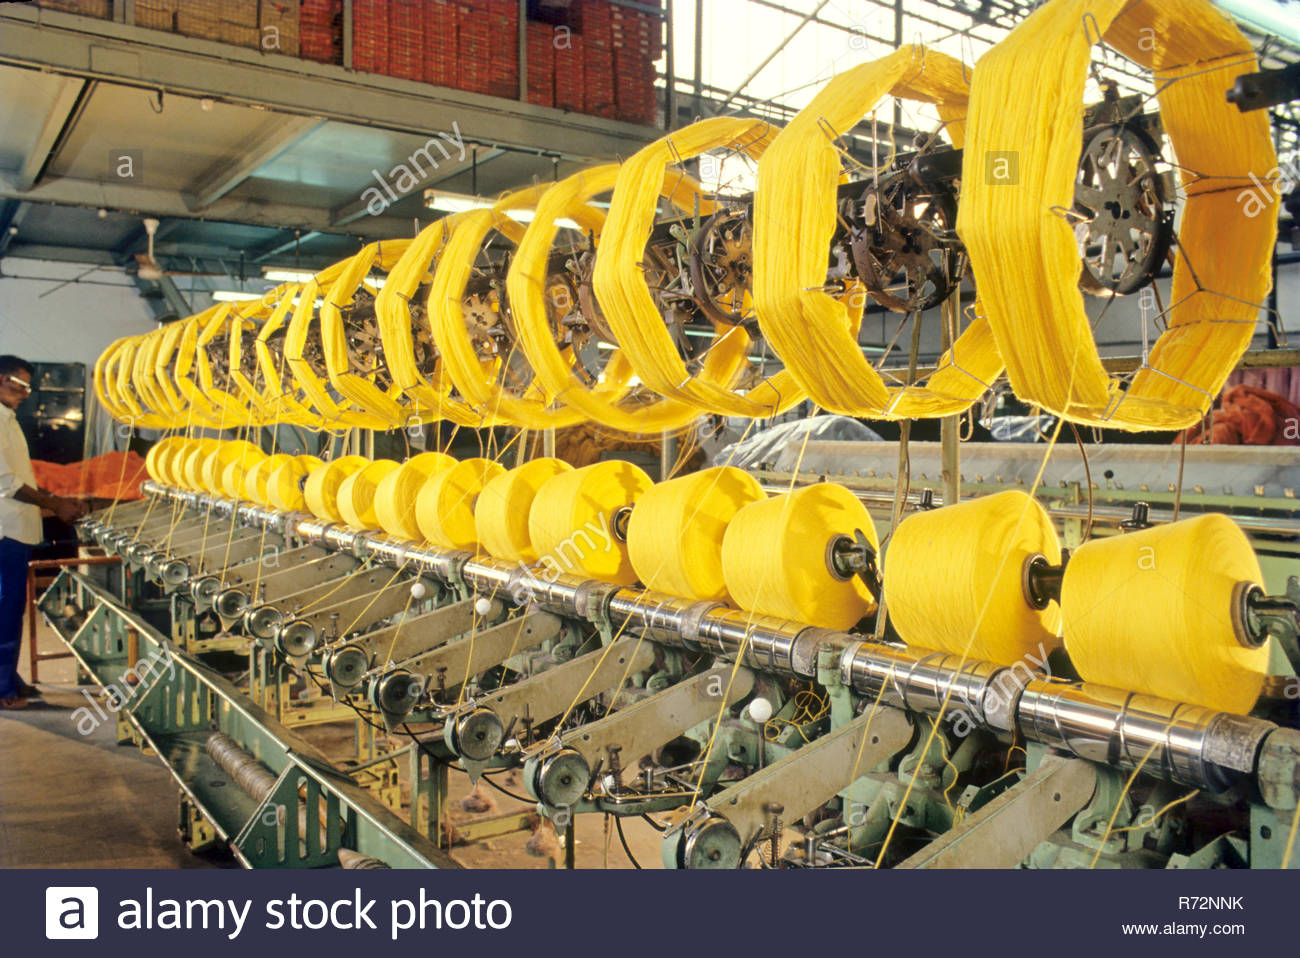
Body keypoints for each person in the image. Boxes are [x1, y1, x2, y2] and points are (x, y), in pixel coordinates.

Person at [0, 355, 87, 709]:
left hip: (15, 529)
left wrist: (55, 504)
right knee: (5, 609)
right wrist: (55, 503)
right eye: (19, 385)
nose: (25, 393)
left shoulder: (9, 419)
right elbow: (6, 481)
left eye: (27, 387)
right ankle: (3, 690)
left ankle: (9, 679)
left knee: (12, 608)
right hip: (5, 531)